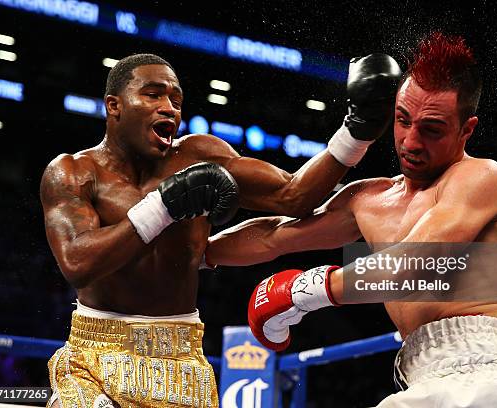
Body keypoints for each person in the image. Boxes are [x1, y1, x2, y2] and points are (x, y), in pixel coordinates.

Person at [206, 33, 497, 407]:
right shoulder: (368, 199)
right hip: (422, 381)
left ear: (466, 129)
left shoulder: (482, 178)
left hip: (490, 380)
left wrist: (305, 290)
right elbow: (274, 237)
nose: (410, 141)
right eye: (402, 120)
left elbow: (413, 260)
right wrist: (196, 252)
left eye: (431, 129)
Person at [40, 53, 398, 407]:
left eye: (176, 99)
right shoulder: (73, 173)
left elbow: (291, 196)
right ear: (114, 105)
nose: (169, 108)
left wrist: (356, 131)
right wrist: (163, 206)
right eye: (153, 94)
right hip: (95, 354)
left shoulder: (199, 154)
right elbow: (77, 262)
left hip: (180, 357)